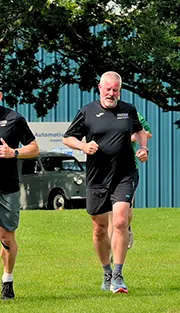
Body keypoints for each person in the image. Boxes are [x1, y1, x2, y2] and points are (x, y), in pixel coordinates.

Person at [62, 71, 149, 294]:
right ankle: (107, 272)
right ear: (99, 87)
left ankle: (119, 276)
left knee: (120, 220)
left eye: (115, 90)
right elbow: (68, 137)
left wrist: (143, 148)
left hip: (125, 174)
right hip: (97, 177)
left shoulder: (128, 110)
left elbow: (140, 131)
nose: (111, 93)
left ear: (120, 90)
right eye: (108, 89)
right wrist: (83, 146)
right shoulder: (87, 111)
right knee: (99, 227)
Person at [0, 89, 40, 300]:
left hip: (7, 187)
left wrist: (13, 153)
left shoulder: (13, 119)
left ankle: (7, 281)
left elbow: (34, 148)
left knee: (6, 236)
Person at [107, 112, 152, 250]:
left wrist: (131, 137)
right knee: (111, 214)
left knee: (127, 212)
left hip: (127, 169)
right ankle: (111, 254)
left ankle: (127, 228)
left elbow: (147, 132)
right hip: (106, 170)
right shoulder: (97, 113)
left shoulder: (130, 113)